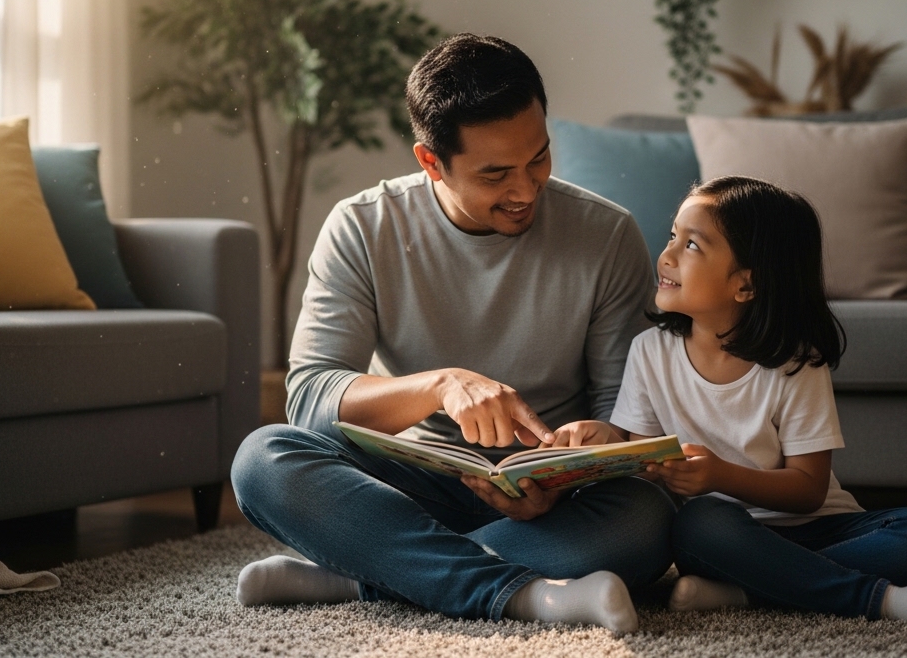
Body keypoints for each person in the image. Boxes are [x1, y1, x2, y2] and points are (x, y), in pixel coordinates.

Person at [230, 34, 675, 633]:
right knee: (263, 460)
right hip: (415, 482)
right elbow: (310, 399)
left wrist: (572, 464)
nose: (525, 190)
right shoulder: (363, 227)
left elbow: (623, 413)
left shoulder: (608, 234)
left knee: (647, 518)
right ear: (430, 161)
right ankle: (524, 594)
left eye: (539, 158)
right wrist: (441, 385)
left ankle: (368, 574)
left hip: (550, 503)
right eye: (495, 175)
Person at [550, 176, 907, 623]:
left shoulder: (796, 362)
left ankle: (750, 591)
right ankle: (882, 600)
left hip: (816, 531)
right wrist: (605, 439)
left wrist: (720, 474)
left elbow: (809, 490)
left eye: (692, 246)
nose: (666, 256)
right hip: (725, 536)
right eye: (671, 237)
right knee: (697, 524)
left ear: (746, 285)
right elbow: (646, 473)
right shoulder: (649, 351)